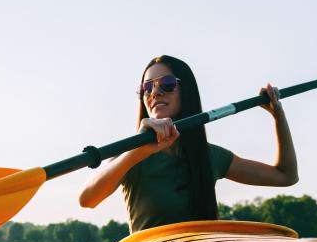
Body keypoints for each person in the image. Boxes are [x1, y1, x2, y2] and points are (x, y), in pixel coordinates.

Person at [79, 55, 299, 232]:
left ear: (187, 93)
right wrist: (138, 151)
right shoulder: (131, 155)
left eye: (166, 84)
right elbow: (87, 199)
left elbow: (286, 176)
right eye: (147, 87)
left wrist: (278, 116)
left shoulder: (211, 156)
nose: (155, 92)